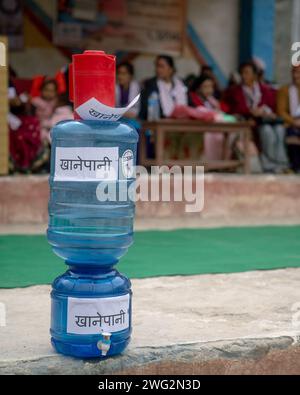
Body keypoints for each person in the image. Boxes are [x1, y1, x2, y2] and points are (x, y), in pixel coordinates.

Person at [226, 62, 289, 173]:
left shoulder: (266, 90)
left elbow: (273, 107)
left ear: (255, 75)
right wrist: (251, 112)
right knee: (267, 132)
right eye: (242, 73)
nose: (244, 76)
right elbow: (233, 109)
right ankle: (269, 164)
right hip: (250, 122)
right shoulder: (235, 91)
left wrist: (267, 112)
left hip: (267, 120)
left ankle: (282, 164)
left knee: (280, 130)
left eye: (247, 73)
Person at [189, 74, 229, 161]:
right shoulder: (193, 97)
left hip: (214, 126)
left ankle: (221, 163)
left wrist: (218, 108)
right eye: (205, 86)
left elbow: (225, 109)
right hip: (200, 126)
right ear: (198, 88)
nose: (209, 89)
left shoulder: (211, 100)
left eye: (211, 86)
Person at [139, 54, 187, 120]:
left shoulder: (181, 84)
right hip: (159, 122)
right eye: (157, 66)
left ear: (171, 69)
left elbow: (188, 105)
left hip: (181, 122)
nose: (157, 69)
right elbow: (145, 110)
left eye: (161, 66)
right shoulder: (150, 84)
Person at [277, 65, 300, 173]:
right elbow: (281, 112)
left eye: (298, 73)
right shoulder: (284, 90)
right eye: (294, 72)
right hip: (291, 122)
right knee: (292, 133)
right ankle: (295, 166)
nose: (296, 76)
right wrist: (294, 122)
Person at [31, 79, 59, 144]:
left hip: (51, 124)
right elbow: (32, 117)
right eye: (46, 90)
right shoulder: (36, 101)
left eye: (52, 91)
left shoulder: (56, 102)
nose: (49, 93)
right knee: (42, 135)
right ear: (41, 90)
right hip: (39, 125)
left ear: (56, 92)